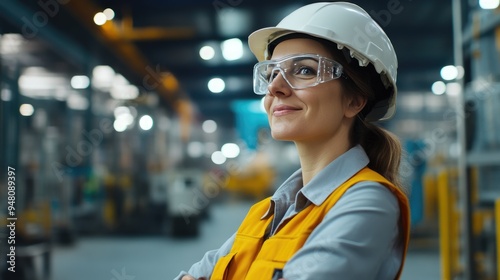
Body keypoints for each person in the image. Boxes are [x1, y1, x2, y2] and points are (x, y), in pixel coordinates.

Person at [175, 2, 410, 279]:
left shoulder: (368, 202)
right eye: (272, 73)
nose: (274, 87)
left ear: (355, 100)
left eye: (305, 70)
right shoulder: (264, 214)